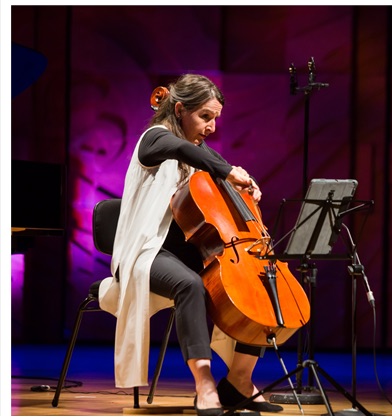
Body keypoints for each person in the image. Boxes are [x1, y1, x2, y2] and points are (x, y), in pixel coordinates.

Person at [100, 74, 283, 416]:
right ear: (180, 109)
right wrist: (227, 170)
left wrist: (245, 186)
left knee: (257, 282)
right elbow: (183, 150)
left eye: (215, 119)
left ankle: (239, 380)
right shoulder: (154, 140)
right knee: (190, 285)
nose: (212, 127)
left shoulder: (196, 151)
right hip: (144, 252)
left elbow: (208, 172)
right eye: (205, 117)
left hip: (183, 252)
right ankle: (205, 384)